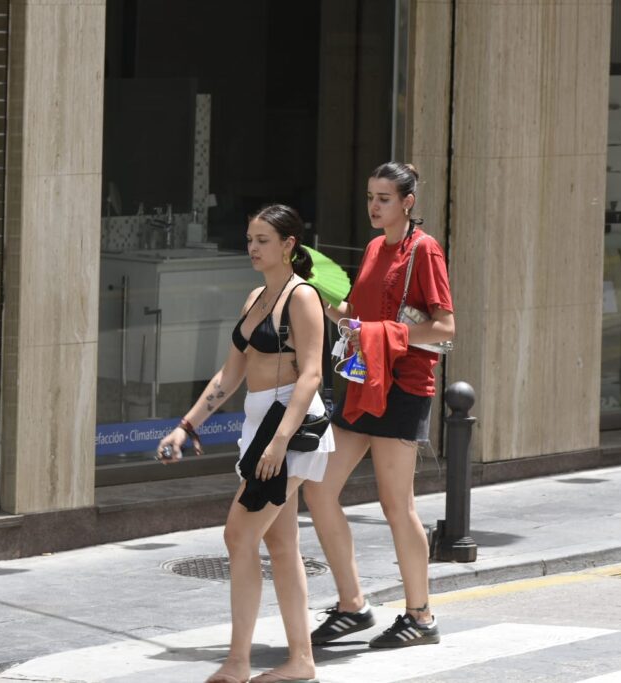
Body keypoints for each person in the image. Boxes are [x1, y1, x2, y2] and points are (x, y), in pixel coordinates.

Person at [157, 204, 332, 683]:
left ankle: (238, 662)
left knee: (238, 535)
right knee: (280, 543)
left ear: (289, 245)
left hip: (289, 431)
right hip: (260, 429)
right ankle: (301, 661)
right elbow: (230, 374)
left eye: (263, 240)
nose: (252, 248)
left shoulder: (303, 297)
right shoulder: (255, 297)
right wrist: (187, 426)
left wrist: (279, 443)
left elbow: (311, 375)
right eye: (250, 239)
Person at [303, 162, 455, 649]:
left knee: (396, 504)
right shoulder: (373, 249)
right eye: (371, 196)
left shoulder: (423, 250)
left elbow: (445, 328)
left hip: (404, 385)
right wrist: (323, 299)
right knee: (318, 489)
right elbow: (356, 314)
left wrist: (383, 333)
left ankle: (421, 616)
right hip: (363, 381)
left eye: (384, 198)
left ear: (408, 202)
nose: (374, 205)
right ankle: (353, 605)